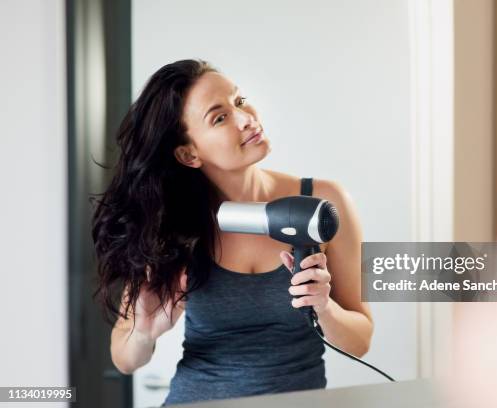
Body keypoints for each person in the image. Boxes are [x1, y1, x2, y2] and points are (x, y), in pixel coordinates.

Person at [91, 59, 373, 405]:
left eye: (239, 101)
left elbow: (361, 339)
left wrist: (324, 308)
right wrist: (145, 331)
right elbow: (124, 358)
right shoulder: (173, 227)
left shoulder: (322, 203)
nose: (246, 118)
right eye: (220, 117)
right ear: (189, 153)